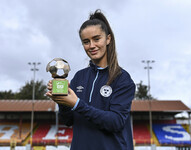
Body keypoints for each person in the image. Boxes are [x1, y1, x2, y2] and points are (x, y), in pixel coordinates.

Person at [46, 9, 136, 150]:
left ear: (108, 39)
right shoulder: (79, 77)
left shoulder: (122, 78)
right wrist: (62, 101)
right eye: (86, 42)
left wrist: (77, 104)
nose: (91, 46)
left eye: (96, 39)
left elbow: (116, 122)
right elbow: (68, 120)